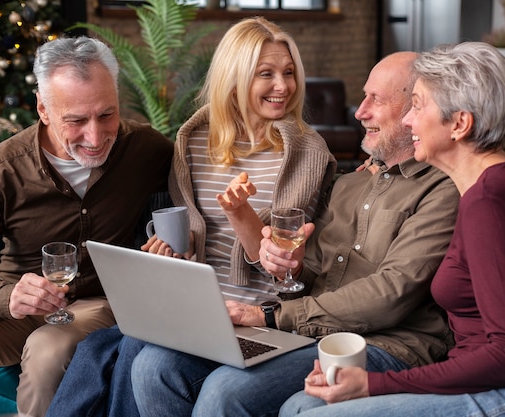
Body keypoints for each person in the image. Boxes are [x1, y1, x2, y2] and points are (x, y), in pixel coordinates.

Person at [130, 51, 460, 417]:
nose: (359, 111)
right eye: (363, 97)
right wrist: (290, 265)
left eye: (375, 100)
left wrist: (269, 316)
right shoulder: (350, 183)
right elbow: (309, 274)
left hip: (386, 345)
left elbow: (391, 293)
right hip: (309, 334)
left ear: (418, 107)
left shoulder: (442, 188)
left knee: (227, 392)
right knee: (154, 368)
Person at [279, 41, 505, 417]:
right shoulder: (490, 186)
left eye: (417, 105)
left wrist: (374, 385)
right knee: (303, 405)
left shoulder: (490, 202)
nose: (408, 120)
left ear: (459, 124)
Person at [45, 16, 336, 417]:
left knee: (142, 359)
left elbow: (285, 270)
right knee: (123, 356)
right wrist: (169, 253)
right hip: (194, 310)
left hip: (260, 315)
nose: (283, 86)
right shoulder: (192, 141)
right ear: (234, 78)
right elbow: (189, 241)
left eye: (289, 73)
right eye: (265, 73)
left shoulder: (306, 152)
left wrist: (240, 213)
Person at [0, 36, 174, 417]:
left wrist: (178, 236)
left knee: (49, 351)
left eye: (107, 115)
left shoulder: (146, 149)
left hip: (99, 301)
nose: (95, 138)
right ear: (43, 109)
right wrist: (8, 295)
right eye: (76, 120)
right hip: (18, 307)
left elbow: (194, 190)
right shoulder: (4, 169)